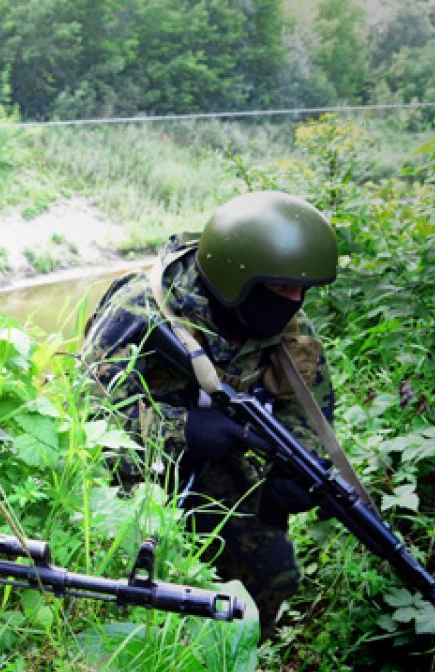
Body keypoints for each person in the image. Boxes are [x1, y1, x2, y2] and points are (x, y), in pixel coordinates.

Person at [80, 191, 339, 639]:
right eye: (280, 288)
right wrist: (182, 430)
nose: (294, 301)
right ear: (238, 277)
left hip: (230, 489)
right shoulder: (142, 308)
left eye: (301, 290)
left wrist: (299, 477)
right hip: (135, 494)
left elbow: (312, 418)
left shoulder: (292, 335)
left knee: (272, 577)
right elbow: (87, 417)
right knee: (145, 608)